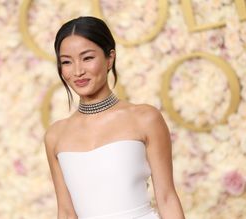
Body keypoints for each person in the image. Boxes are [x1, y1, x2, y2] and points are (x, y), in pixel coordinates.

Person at [44, 16, 185, 219]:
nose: (77, 71)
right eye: (66, 62)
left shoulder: (145, 118)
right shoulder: (55, 136)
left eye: (87, 58)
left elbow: (166, 197)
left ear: (110, 58)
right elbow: (66, 213)